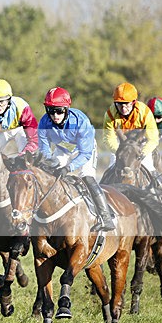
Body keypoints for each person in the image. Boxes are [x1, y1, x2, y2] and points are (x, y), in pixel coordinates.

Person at [38, 87, 115, 231]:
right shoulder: (44, 123)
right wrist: (49, 163)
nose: (55, 115)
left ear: (67, 109)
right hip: (62, 150)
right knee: (47, 175)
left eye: (59, 111)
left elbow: (85, 154)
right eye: (50, 110)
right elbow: (44, 149)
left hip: (84, 150)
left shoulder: (81, 121)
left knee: (87, 177)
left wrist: (68, 168)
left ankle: (106, 218)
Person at [103, 82, 162, 214]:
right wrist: (120, 152)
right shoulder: (109, 114)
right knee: (111, 167)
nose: (123, 107)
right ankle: (102, 202)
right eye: (120, 104)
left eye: (126, 103)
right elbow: (108, 137)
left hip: (140, 146)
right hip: (121, 147)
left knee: (149, 166)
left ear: (134, 102)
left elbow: (153, 138)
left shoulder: (144, 112)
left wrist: (142, 153)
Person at [0, 78, 38, 157]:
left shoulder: (22, 107)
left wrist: (23, 155)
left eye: (2, 101)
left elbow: (34, 139)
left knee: (27, 156)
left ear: (9, 100)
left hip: (19, 131)